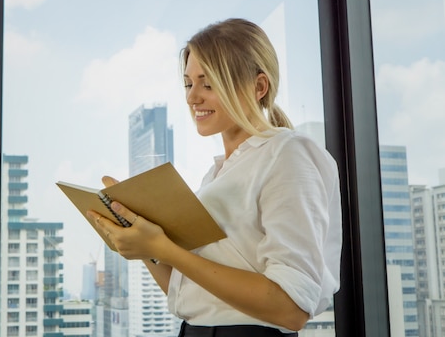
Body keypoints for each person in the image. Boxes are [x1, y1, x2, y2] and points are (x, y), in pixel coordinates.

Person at [87, 18, 342, 336]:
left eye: (208, 84)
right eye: (188, 83)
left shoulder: (288, 154)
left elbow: (290, 308)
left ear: (258, 87)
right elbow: (191, 293)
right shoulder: (215, 175)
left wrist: (166, 249)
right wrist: (146, 245)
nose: (193, 97)